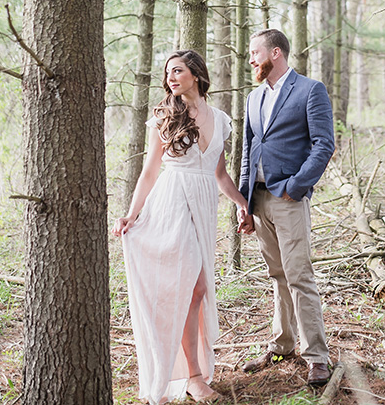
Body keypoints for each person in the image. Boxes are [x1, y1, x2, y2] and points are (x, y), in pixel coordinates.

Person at [112, 49, 250, 405]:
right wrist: (131, 214)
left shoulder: (219, 119)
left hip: (203, 205)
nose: (171, 78)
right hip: (171, 203)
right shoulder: (164, 117)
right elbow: (149, 172)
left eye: (178, 71)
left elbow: (219, 174)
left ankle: (191, 372)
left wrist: (241, 202)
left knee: (198, 291)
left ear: (197, 74)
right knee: (194, 286)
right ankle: (191, 376)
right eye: (168, 73)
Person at [238, 29, 336, 387]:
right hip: (258, 200)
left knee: (299, 276)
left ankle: (317, 357)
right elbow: (249, 150)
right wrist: (243, 201)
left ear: (275, 53)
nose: (250, 59)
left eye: (255, 52)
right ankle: (282, 344)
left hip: (289, 199)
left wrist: (297, 187)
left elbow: (324, 145)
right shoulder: (253, 98)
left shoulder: (311, 90)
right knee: (277, 276)